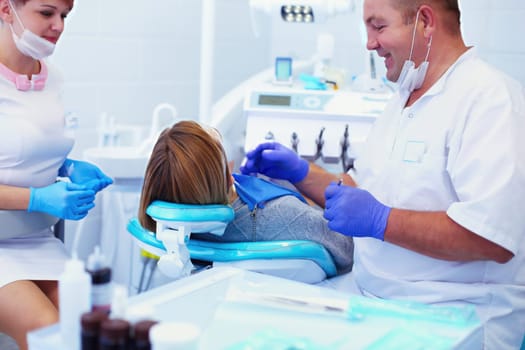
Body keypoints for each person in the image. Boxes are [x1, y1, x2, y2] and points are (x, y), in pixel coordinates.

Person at [240, 0, 525, 349]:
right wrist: (300, 172)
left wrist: (382, 221)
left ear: (425, 21)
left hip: (454, 318)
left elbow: (491, 237)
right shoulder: (403, 100)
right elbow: (360, 192)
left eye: (379, 26)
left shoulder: (490, 101)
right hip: (372, 301)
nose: (369, 44)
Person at [0, 0, 112, 349]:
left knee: (88, 330)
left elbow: (23, 146)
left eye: (64, 15)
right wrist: (37, 197)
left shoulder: (53, 77)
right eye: (47, 13)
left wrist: (68, 166)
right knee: (49, 333)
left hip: (36, 238)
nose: (59, 25)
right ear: (6, 9)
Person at [138, 120, 354, 278]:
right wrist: (302, 183)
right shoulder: (289, 214)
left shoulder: (171, 229)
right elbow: (348, 248)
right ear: (226, 174)